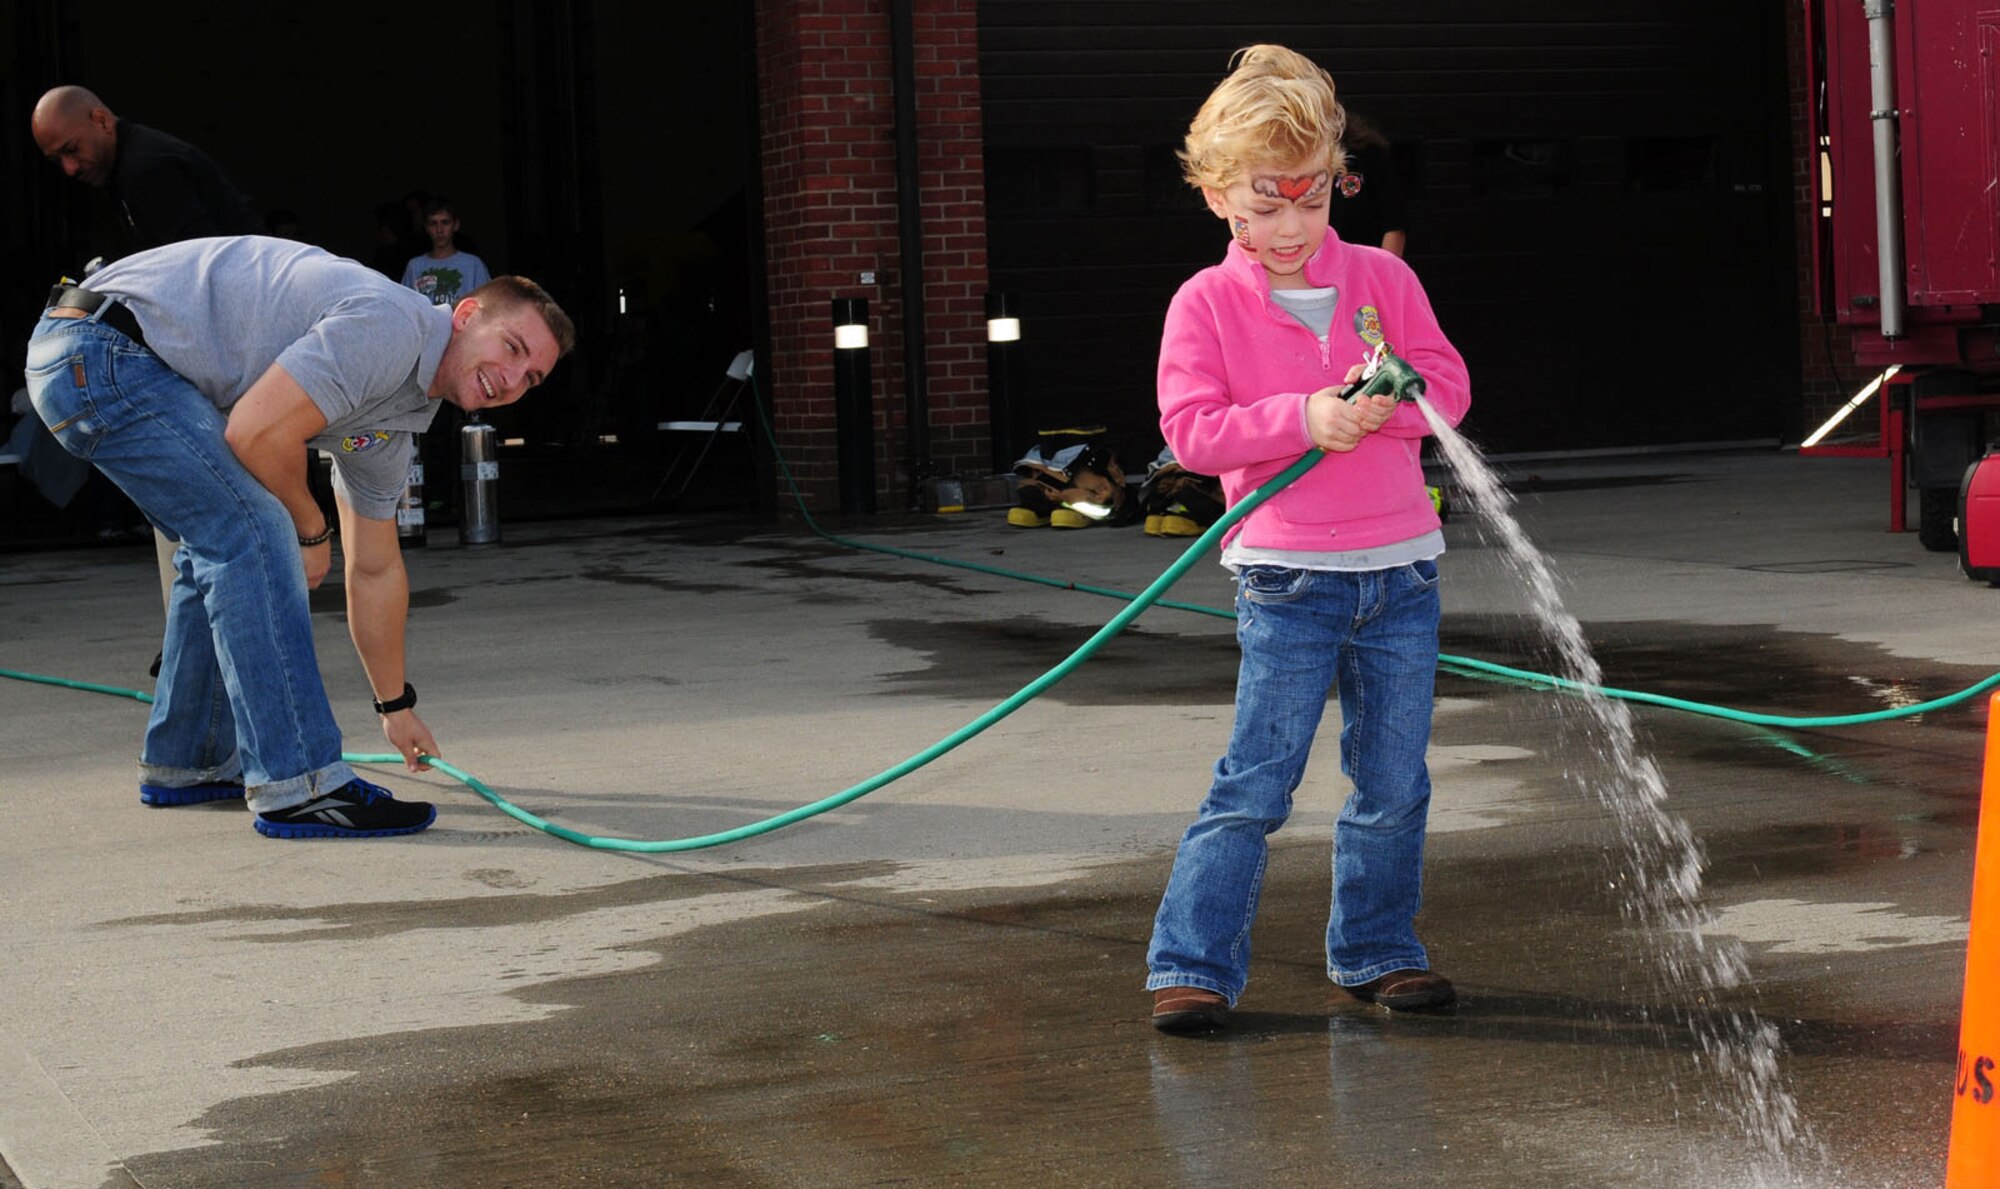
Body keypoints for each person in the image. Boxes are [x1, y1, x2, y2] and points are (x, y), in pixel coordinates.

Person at [22, 235, 575, 839]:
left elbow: (376, 569)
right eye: (513, 348)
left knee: (222, 536)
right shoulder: (393, 326)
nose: (514, 380)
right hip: (100, 351)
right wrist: (311, 530)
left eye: (533, 377)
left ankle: (191, 757)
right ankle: (301, 783)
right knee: (257, 529)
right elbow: (256, 434)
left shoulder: (397, 417)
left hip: (102, 359)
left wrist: (396, 707)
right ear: (467, 315)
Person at [1144, 45, 1471, 1034]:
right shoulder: (1203, 304)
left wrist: (1390, 404)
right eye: (1262, 205)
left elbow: (1446, 390)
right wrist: (1301, 417)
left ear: (1337, 183)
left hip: (1400, 571)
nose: (1289, 228)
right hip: (1288, 577)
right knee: (1256, 780)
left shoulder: (1381, 279)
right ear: (1213, 196)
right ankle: (1190, 961)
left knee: (1392, 780)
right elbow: (1188, 431)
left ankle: (1375, 950)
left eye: (1309, 201)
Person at [29, 85, 260, 254]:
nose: (69, 169)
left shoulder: (145, 170)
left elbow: (202, 265)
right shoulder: (129, 163)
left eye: (71, 149)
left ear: (102, 121)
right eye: (56, 160)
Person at [1326, 112, 1408, 258]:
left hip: (1362, 271)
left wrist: (1384, 276)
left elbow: (1394, 225)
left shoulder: (1368, 153)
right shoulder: (1287, 158)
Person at [402, 198, 491, 307]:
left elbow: (487, 308)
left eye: (445, 222)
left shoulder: (473, 265)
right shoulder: (415, 266)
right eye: (433, 223)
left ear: (456, 225)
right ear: (426, 228)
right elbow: (406, 309)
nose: (439, 230)